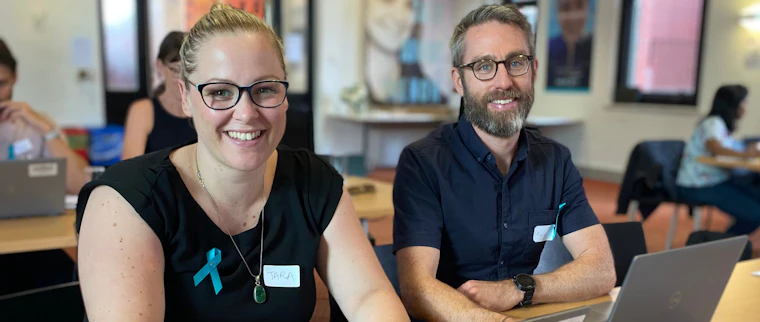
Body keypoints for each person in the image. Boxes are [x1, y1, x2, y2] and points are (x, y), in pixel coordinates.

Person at [75, 5, 408, 321]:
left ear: (285, 94)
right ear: (185, 97)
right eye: (220, 92)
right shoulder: (126, 202)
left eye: (264, 89)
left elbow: (369, 295)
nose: (247, 113)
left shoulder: (313, 182)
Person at [393, 4, 616, 321]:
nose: (504, 81)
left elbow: (602, 270)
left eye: (516, 62)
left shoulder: (555, 160)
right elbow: (417, 288)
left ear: (534, 70)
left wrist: (520, 288)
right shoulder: (423, 163)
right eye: (484, 66)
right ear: (459, 81)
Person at [0, 38, 88, 194]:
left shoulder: (35, 125)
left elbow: (81, 185)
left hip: (33, 216)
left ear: (15, 78)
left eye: (1, 84)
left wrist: (46, 129)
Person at [677, 85, 760, 236]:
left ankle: (730, 243)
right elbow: (715, 148)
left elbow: (730, 147)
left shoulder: (723, 126)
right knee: (755, 213)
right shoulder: (713, 123)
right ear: (733, 105)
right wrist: (746, 154)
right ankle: (723, 246)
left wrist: (747, 148)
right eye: (744, 103)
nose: (746, 108)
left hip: (718, 179)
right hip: (699, 184)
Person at [121, 31, 197, 160]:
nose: (183, 79)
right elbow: (128, 171)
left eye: (188, 71)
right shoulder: (143, 111)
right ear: (160, 66)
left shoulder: (205, 109)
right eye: (176, 70)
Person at [546, 0, 593, 89]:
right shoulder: (549, 49)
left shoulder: (595, 50)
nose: (573, 16)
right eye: (565, 8)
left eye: (579, 6)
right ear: (557, 11)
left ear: (587, 9)